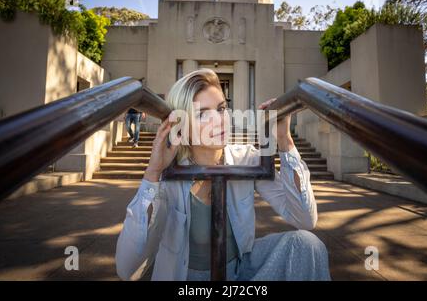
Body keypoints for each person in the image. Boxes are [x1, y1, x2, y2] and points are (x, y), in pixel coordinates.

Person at [115, 69, 331, 281]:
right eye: (201, 114)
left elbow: (305, 218)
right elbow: (127, 268)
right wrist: (153, 173)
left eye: (221, 109)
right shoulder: (169, 173)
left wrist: (285, 140)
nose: (219, 120)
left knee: (306, 245)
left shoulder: (246, 160)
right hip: (186, 278)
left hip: (240, 271)